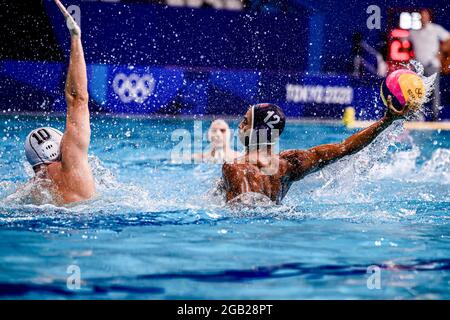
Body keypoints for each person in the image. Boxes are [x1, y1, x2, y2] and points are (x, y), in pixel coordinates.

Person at [222, 99, 412, 204]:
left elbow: (245, 214)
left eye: (246, 121)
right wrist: (387, 120)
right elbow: (345, 148)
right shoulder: (290, 164)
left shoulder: (235, 167)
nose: (240, 125)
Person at [21, 0, 95, 205]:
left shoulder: (30, 190)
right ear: (60, 146)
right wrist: (75, 37)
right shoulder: (72, 163)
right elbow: (77, 99)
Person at [409, 8, 450, 120]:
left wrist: (441, 53)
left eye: (425, 15)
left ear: (428, 17)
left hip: (433, 65)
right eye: (421, 16)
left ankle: (434, 117)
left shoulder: (435, 29)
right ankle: (417, 117)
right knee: (417, 92)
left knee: (434, 92)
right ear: (419, 18)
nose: (423, 18)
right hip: (419, 67)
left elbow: (448, 39)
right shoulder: (413, 32)